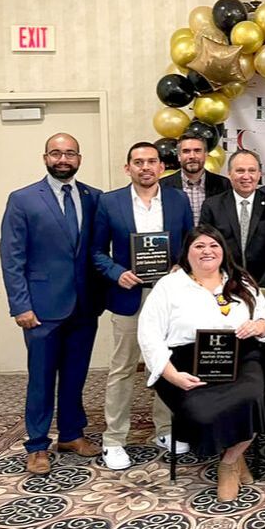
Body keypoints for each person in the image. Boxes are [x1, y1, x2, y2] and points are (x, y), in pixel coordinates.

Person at [137, 225, 265, 501]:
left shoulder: (242, 281)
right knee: (201, 411)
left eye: (213, 245)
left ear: (223, 251)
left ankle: (228, 462)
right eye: (199, 246)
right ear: (187, 253)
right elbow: (148, 333)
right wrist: (171, 374)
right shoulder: (169, 286)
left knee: (251, 399)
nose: (207, 251)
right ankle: (238, 458)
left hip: (240, 357)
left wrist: (258, 325)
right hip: (184, 362)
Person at [0, 133, 103, 474]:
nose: (63, 159)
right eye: (56, 153)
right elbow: (12, 257)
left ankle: (72, 434)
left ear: (79, 158)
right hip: (40, 309)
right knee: (41, 378)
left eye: (70, 153)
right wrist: (20, 306)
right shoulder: (23, 199)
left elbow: (96, 252)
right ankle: (37, 445)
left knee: (75, 376)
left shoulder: (93, 197)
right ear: (45, 157)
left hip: (84, 307)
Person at [92, 141, 194, 470]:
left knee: (164, 363)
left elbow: (191, 244)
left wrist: (183, 265)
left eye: (152, 161)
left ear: (162, 167)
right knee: (123, 367)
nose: (146, 167)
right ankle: (114, 439)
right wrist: (116, 272)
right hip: (128, 296)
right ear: (128, 168)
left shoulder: (178, 200)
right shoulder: (109, 203)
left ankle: (164, 429)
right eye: (138, 162)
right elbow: (95, 252)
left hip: (167, 297)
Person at [200, 150, 265, 286]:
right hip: (223, 284)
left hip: (264, 285)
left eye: (252, 171)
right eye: (240, 171)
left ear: (259, 174)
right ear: (229, 174)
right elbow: (206, 249)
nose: (246, 176)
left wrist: (263, 283)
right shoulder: (212, 206)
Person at [160, 132, 230, 225]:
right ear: (179, 156)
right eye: (186, 151)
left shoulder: (223, 185)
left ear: (206, 155)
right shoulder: (163, 186)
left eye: (197, 151)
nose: (192, 156)